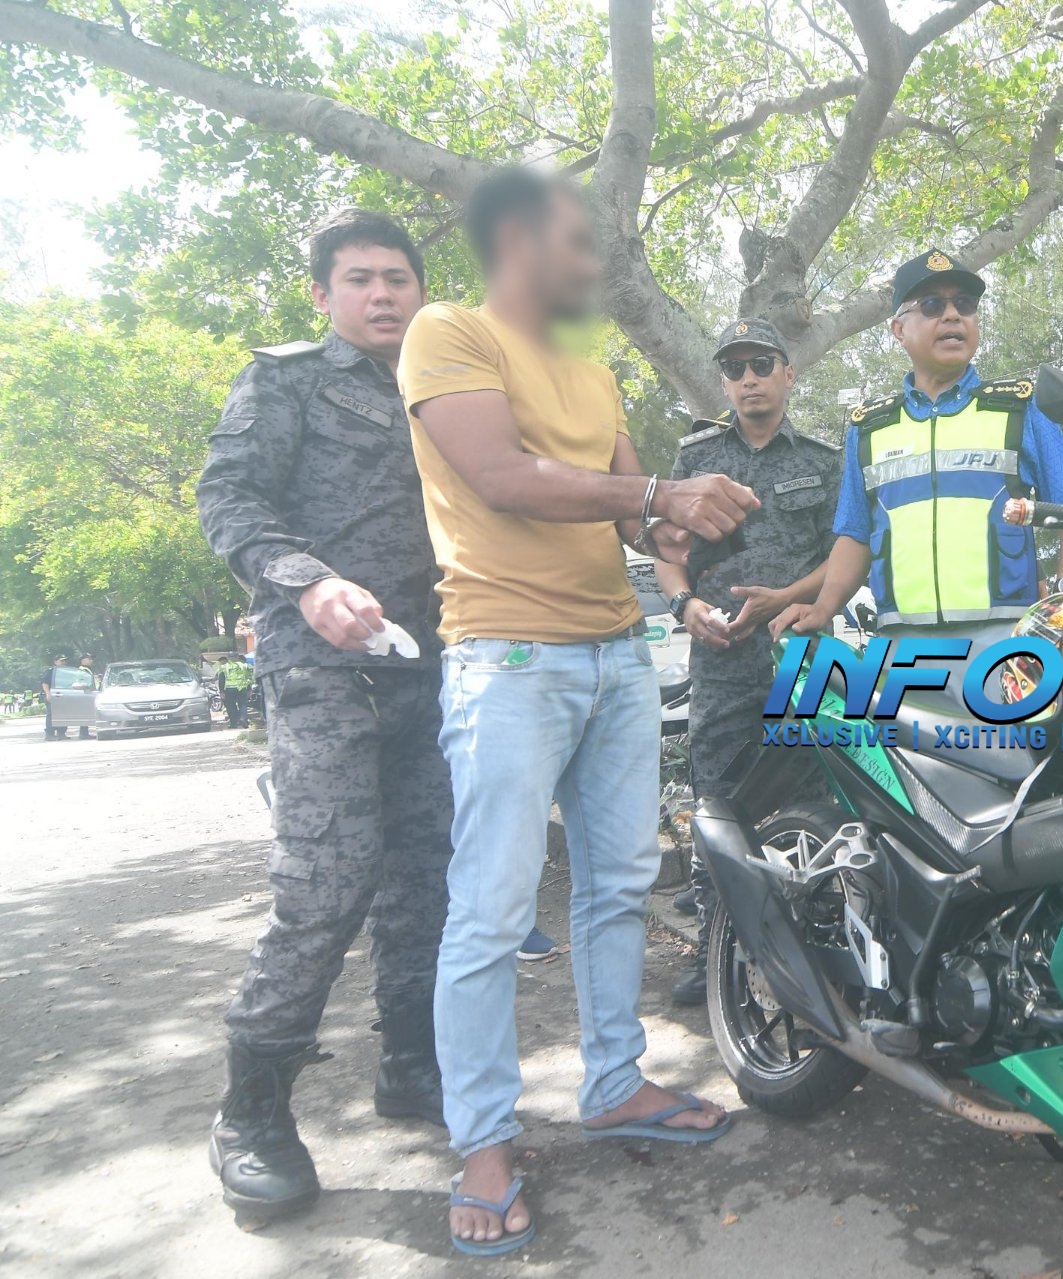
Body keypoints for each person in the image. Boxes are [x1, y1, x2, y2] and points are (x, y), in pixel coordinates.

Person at [398, 167, 753, 1257]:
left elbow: (638, 516)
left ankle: (613, 1081)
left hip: (615, 655)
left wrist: (682, 530)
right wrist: (655, 498)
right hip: (507, 655)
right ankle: (484, 1141)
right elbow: (502, 476)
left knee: (619, 884)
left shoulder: (593, 374)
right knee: (493, 908)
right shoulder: (447, 333)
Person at [197, 209, 454, 1225]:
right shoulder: (288, 379)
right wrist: (307, 581)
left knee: (424, 875)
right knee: (328, 879)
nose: (383, 294)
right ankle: (250, 1113)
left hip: (430, 668)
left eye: (398, 278)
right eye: (360, 279)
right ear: (322, 293)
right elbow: (228, 499)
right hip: (320, 664)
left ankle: (412, 1064)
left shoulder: (443, 389)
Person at [770, 250, 1063, 652]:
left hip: (1005, 641)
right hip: (901, 646)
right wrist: (824, 606)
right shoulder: (869, 427)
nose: (952, 315)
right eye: (931, 305)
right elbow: (855, 535)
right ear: (898, 329)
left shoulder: (1020, 408)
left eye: (964, 304)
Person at [655, 318, 840, 1006]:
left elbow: (845, 555)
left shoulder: (825, 460)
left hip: (804, 654)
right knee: (718, 807)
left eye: (762, 364)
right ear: (724, 382)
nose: (749, 378)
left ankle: (820, 949)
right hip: (722, 658)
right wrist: (684, 607)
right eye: (735, 368)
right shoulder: (696, 458)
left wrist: (786, 599)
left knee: (817, 803)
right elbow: (668, 552)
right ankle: (716, 952)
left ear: (788, 373)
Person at [217, 654, 252, 728]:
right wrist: (249, 689)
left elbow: (221, 679)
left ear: (228, 658)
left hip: (229, 688)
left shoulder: (224, 667)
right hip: (242, 687)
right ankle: (243, 718)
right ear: (237, 658)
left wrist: (221, 691)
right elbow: (248, 678)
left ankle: (234, 723)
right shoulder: (244, 665)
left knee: (231, 706)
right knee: (243, 704)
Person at [41, 655, 69, 741]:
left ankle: (61, 733)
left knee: (63, 714)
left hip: (62, 695)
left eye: (65, 660)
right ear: (55, 662)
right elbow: (45, 683)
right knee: (51, 715)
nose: (64, 662)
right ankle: (49, 734)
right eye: (61, 661)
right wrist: (48, 693)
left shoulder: (65, 672)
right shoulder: (51, 671)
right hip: (52, 695)